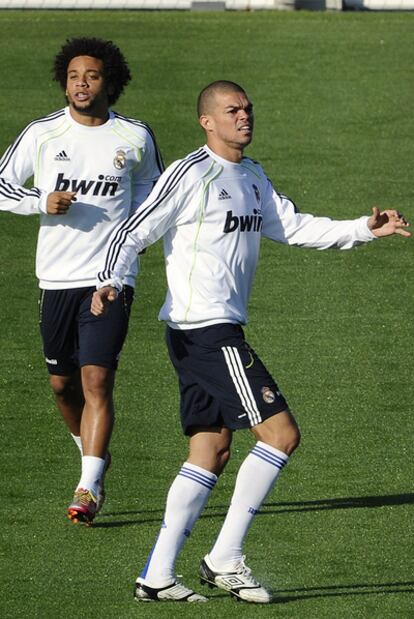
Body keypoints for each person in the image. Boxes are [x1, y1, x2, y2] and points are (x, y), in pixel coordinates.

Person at [91, 80, 410, 603]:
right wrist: (109, 278)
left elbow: (294, 226)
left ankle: (157, 576)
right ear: (207, 121)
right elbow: (134, 230)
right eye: (232, 110)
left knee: (210, 450)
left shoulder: (253, 176)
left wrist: (363, 229)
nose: (244, 117)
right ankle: (224, 557)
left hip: (208, 330)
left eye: (248, 109)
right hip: (206, 329)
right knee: (281, 435)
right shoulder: (190, 174)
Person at [0, 37, 164, 526]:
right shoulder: (43, 134)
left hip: (110, 276)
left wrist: (129, 250)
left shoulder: (134, 137)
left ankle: (88, 484)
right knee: (61, 384)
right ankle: (92, 454)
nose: (81, 84)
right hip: (56, 276)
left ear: (109, 81)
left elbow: (155, 199)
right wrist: (40, 200)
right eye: (73, 76)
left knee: (96, 377)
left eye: (91, 76)